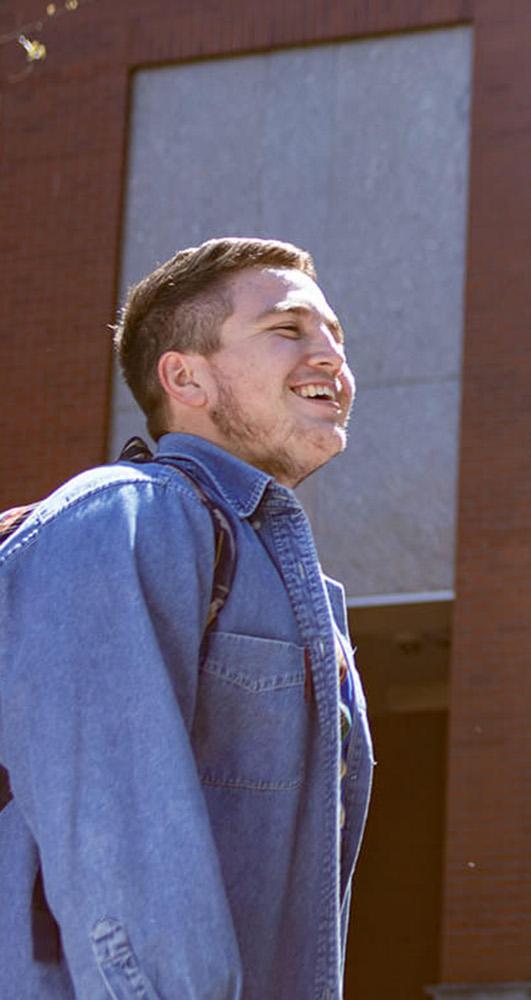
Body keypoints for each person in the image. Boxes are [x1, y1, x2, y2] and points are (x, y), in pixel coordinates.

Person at [0, 237, 373, 998]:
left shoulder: (289, 583)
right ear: (186, 376)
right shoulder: (127, 519)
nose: (331, 356)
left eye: (337, 337)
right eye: (288, 329)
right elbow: (118, 836)